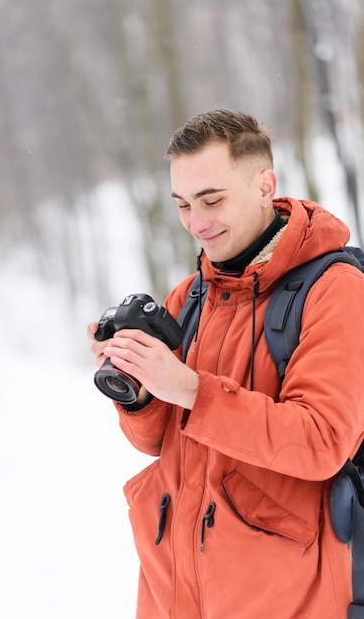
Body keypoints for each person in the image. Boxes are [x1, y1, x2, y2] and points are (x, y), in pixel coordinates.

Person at [88, 109, 364, 619]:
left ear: (265, 185)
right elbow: (155, 440)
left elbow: (323, 440)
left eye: (212, 200)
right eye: (183, 204)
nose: (197, 223)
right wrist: (141, 387)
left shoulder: (336, 291)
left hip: (286, 599)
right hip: (174, 593)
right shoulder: (190, 295)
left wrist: (193, 389)